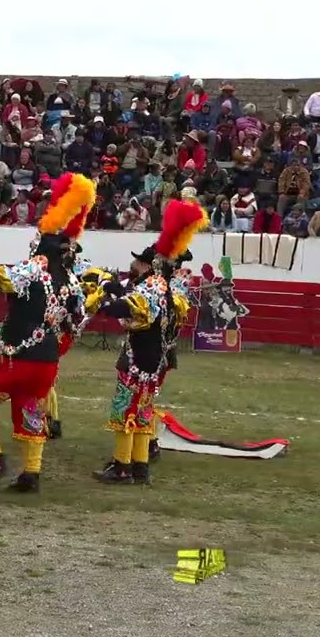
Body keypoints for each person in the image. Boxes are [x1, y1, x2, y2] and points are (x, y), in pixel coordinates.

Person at [0, 173, 96, 493]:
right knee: (31, 410)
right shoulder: (72, 282)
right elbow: (76, 321)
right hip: (47, 361)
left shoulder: (30, 269)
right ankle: (31, 474)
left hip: (17, 359)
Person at [91, 200, 206, 485]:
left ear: (154, 263)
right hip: (154, 356)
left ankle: (121, 467)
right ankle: (140, 467)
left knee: (125, 409)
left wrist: (105, 302)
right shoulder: (166, 287)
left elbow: (127, 308)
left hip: (139, 356)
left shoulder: (153, 285)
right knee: (142, 411)